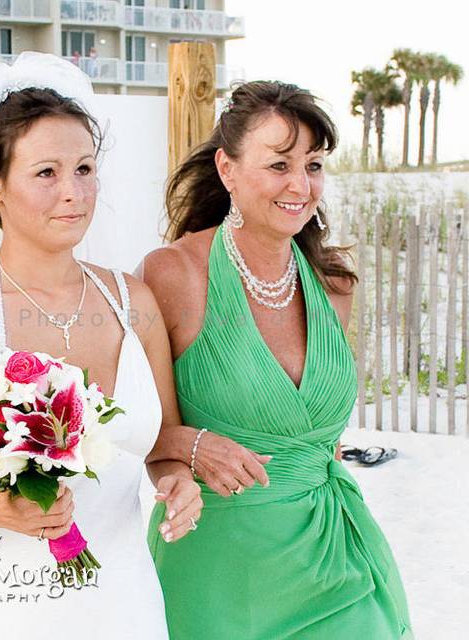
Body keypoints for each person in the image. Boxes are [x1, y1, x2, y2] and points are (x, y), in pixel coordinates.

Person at [0, 52, 201, 639]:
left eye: (84, 168)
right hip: (1, 605)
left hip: (123, 596)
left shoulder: (136, 303)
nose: (73, 193)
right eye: (46, 173)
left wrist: (176, 478)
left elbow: (160, 444)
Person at [138, 80, 412, 638]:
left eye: (313, 165)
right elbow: (139, 427)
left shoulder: (332, 283)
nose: (300, 185)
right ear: (227, 168)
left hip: (335, 558)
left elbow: (321, 439)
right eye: (279, 164)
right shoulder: (173, 274)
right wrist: (191, 446)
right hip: (218, 570)